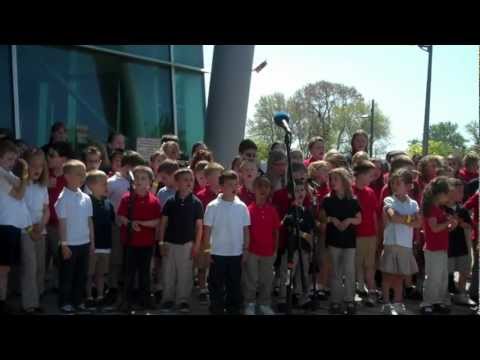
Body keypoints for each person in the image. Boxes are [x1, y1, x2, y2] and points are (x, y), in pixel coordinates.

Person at [203, 170, 250, 315]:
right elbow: (207, 230)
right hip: (217, 253)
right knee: (216, 283)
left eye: (235, 184)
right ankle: (216, 307)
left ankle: (233, 308)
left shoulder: (242, 207)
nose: (234, 187)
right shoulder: (212, 206)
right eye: (230, 184)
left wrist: (246, 249)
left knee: (234, 283)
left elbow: (246, 230)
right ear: (221, 186)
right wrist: (207, 250)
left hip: (235, 253)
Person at [158, 168, 203, 314]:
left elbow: (199, 227)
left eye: (191, 180)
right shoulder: (170, 202)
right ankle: (168, 299)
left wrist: (196, 246)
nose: (189, 183)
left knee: (185, 274)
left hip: (187, 244)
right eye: (185, 180)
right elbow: (163, 223)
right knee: (168, 273)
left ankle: (182, 300)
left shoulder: (196, 203)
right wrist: (161, 242)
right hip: (170, 244)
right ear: (177, 183)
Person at [117, 166, 162, 312]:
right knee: (128, 273)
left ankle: (145, 300)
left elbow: (157, 221)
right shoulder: (127, 198)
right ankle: (126, 301)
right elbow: (121, 216)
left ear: (150, 182)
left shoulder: (154, 201)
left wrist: (141, 224)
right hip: (130, 243)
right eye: (136, 178)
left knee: (145, 274)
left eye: (143, 178)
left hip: (146, 244)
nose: (139, 181)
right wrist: (130, 223)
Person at [105, 150, 145, 306]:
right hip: (118, 226)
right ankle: (113, 288)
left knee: (131, 261)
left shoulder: (135, 183)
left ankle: (131, 290)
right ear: (128, 166)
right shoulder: (113, 182)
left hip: (134, 227)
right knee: (116, 260)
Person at [379, 169, 421, 315]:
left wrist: (404, 219)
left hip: (405, 246)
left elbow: (419, 222)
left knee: (399, 276)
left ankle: (398, 303)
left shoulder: (414, 203)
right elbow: (393, 217)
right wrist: (410, 219)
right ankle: (385, 303)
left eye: (398, 183)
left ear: (410, 186)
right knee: (388, 275)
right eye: (393, 183)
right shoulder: (389, 200)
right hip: (390, 244)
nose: (394, 186)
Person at [320, 167, 362, 315]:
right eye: (331, 179)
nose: (332, 182)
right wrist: (332, 219)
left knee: (350, 271)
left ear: (344, 181)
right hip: (334, 241)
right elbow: (322, 218)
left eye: (335, 179)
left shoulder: (353, 200)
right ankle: (335, 301)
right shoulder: (327, 199)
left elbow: (359, 219)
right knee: (336, 272)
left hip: (349, 242)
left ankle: (350, 300)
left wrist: (349, 220)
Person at [55, 160, 94, 314]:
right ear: (67, 176)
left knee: (81, 275)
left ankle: (78, 301)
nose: (83, 176)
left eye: (84, 173)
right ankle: (64, 302)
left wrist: (92, 242)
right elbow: (62, 223)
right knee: (67, 277)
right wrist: (64, 244)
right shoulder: (63, 198)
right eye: (79, 174)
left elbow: (89, 221)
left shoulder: (86, 197)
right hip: (69, 244)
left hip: (84, 243)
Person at [0, 140, 31, 314]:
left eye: (14, 159)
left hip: (10, 226)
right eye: (8, 159)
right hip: (3, 226)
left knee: (5, 269)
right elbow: (20, 194)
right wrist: (25, 172)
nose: (12, 163)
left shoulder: (7, 174)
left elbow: (21, 187)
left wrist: (23, 175)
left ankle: (3, 300)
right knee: (2, 269)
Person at [243, 176, 280, 315]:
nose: (263, 189)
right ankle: (250, 303)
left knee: (266, 280)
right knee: (251, 280)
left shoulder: (272, 210)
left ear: (270, 190)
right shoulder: (248, 209)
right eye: (259, 186)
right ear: (254, 189)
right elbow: (245, 231)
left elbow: (276, 232)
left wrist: (275, 250)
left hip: (268, 252)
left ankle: (265, 303)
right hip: (252, 251)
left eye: (266, 187)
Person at [420, 176, 457, 315]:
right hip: (432, 248)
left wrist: (450, 224)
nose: (448, 198)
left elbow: (440, 228)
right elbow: (434, 228)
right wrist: (447, 223)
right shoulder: (431, 209)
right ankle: (427, 303)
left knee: (442, 277)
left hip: (441, 248)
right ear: (439, 194)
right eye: (447, 195)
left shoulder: (439, 208)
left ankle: (437, 301)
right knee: (433, 277)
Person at [277, 180, 315, 312]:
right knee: (287, 274)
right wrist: (304, 235)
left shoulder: (307, 211)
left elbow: (311, 230)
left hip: (304, 249)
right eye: (297, 191)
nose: (300, 193)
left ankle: (300, 297)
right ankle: (283, 298)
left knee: (303, 274)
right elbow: (289, 227)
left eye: (302, 190)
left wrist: (311, 248)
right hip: (291, 250)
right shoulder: (291, 211)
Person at [21, 148, 50, 314]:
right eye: (33, 165)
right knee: (29, 268)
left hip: (41, 231)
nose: (37, 169)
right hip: (26, 233)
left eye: (40, 165)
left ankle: (37, 298)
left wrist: (42, 225)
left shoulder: (42, 187)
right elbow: (21, 211)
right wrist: (32, 230)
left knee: (40, 267)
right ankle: (29, 304)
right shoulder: (22, 186)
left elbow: (46, 209)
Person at [84, 170, 115, 310]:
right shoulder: (86, 202)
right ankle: (89, 297)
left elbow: (113, 222)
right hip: (92, 245)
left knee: (101, 273)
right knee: (89, 273)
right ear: (91, 185)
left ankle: (100, 296)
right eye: (103, 184)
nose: (106, 187)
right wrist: (91, 243)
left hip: (105, 245)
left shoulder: (108, 203)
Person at [44, 141, 72, 293]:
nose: (48, 158)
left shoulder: (69, 179)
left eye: (52, 155)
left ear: (64, 159)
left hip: (59, 225)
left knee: (59, 259)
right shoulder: (42, 173)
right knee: (41, 260)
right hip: (41, 224)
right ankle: (39, 290)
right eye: (48, 154)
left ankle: (59, 286)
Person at [196, 162, 224, 303]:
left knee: (216, 265)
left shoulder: (224, 195)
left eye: (221, 176)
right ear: (207, 178)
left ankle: (215, 287)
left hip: (220, 236)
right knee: (203, 264)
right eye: (217, 176)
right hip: (204, 236)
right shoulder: (200, 195)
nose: (220, 179)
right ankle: (201, 288)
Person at [444, 178, 474, 306]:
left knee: (464, 270)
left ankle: (461, 294)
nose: (462, 194)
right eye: (459, 191)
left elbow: (468, 227)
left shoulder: (462, 210)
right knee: (446, 272)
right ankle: (444, 295)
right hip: (447, 247)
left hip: (462, 247)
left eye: (463, 191)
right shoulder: (442, 208)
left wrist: (469, 250)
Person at [352, 160, 379, 306]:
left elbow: (374, 214)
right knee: (357, 265)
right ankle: (359, 289)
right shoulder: (349, 191)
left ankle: (372, 291)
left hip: (370, 235)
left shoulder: (371, 192)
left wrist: (377, 234)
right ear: (360, 175)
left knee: (369, 264)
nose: (372, 178)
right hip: (356, 235)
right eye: (370, 175)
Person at [307, 160, 331, 298]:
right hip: (311, 226)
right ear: (315, 171)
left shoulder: (328, 189)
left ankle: (322, 285)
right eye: (324, 170)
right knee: (311, 258)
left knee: (323, 258)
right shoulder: (310, 187)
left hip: (323, 228)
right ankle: (310, 286)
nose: (327, 173)